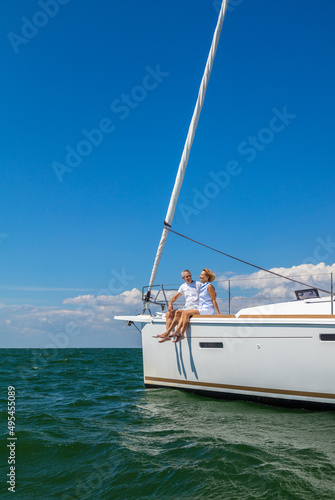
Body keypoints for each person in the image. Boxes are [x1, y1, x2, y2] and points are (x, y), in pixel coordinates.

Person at [170, 268, 220, 343]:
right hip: (201, 308)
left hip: (207, 309)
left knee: (185, 313)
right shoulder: (202, 286)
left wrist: (218, 313)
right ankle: (177, 332)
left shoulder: (209, 286)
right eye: (200, 274)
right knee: (183, 313)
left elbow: (213, 300)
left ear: (207, 277)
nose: (200, 276)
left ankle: (181, 334)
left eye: (202, 275)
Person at [157, 270, 201, 343]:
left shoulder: (198, 284)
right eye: (187, 276)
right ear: (183, 278)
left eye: (190, 276)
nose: (189, 277)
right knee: (169, 313)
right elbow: (176, 296)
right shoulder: (183, 286)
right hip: (187, 307)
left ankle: (167, 333)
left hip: (195, 306)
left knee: (178, 312)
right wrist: (170, 303)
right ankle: (167, 336)